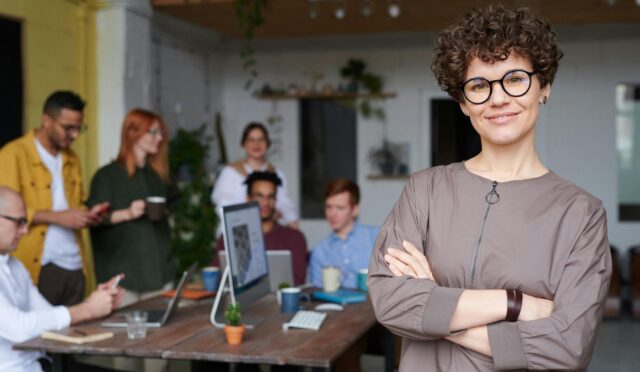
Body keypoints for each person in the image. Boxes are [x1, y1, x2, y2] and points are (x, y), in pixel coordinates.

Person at [368, 5, 612, 371]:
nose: (497, 99)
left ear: (544, 87)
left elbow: (567, 349)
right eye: (479, 85)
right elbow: (390, 302)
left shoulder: (581, 214)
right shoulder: (424, 191)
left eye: (514, 79)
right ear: (464, 103)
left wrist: (436, 307)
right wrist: (514, 303)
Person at [0, 91, 108, 306]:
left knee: (75, 333)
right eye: (68, 128)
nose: (75, 135)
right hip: (39, 265)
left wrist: (87, 214)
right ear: (46, 121)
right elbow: (6, 211)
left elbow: (74, 204)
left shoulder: (72, 158)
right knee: (40, 336)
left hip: (75, 264)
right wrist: (59, 218)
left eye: (79, 128)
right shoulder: (13, 154)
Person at [0, 186, 123, 372]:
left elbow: (50, 315)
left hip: (44, 365)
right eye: (19, 222)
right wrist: (88, 310)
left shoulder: (14, 266)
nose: (25, 230)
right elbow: (19, 328)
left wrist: (96, 303)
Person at [87, 109, 175, 306]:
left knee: (164, 334)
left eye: (161, 132)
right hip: (125, 278)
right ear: (132, 133)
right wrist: (128, 213)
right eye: (152, 132)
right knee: (126, 334)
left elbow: (170, 209)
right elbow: (93, 218)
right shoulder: (107, 175)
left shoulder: (158, 176)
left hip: (160, 272)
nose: (159, 138)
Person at [214, 171, 308, 285]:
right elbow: (217, 281)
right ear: (248, 199)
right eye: (259, 196)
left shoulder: (294, 238)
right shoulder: (228, 238)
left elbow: (298, 282)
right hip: (240, 301)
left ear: (275, 200)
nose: (265, 202)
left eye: (271, 197)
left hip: (279, 300)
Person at [211, 123, 298, 232]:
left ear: (268, 144)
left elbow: (284, 204)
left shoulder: (277, 174)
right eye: (251, 140)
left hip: (267, 233)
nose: (256, 144)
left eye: (261, 139)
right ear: (244, 144)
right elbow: (222, 206)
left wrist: (291, 220)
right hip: (234, 231)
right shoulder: (230, 172)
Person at [310, 179, 379, 289]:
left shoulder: (376, 237)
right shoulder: (320, 250)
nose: (332, 214)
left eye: (340, 208)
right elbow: (317, 291)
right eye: (328, 207)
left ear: (355, 210)